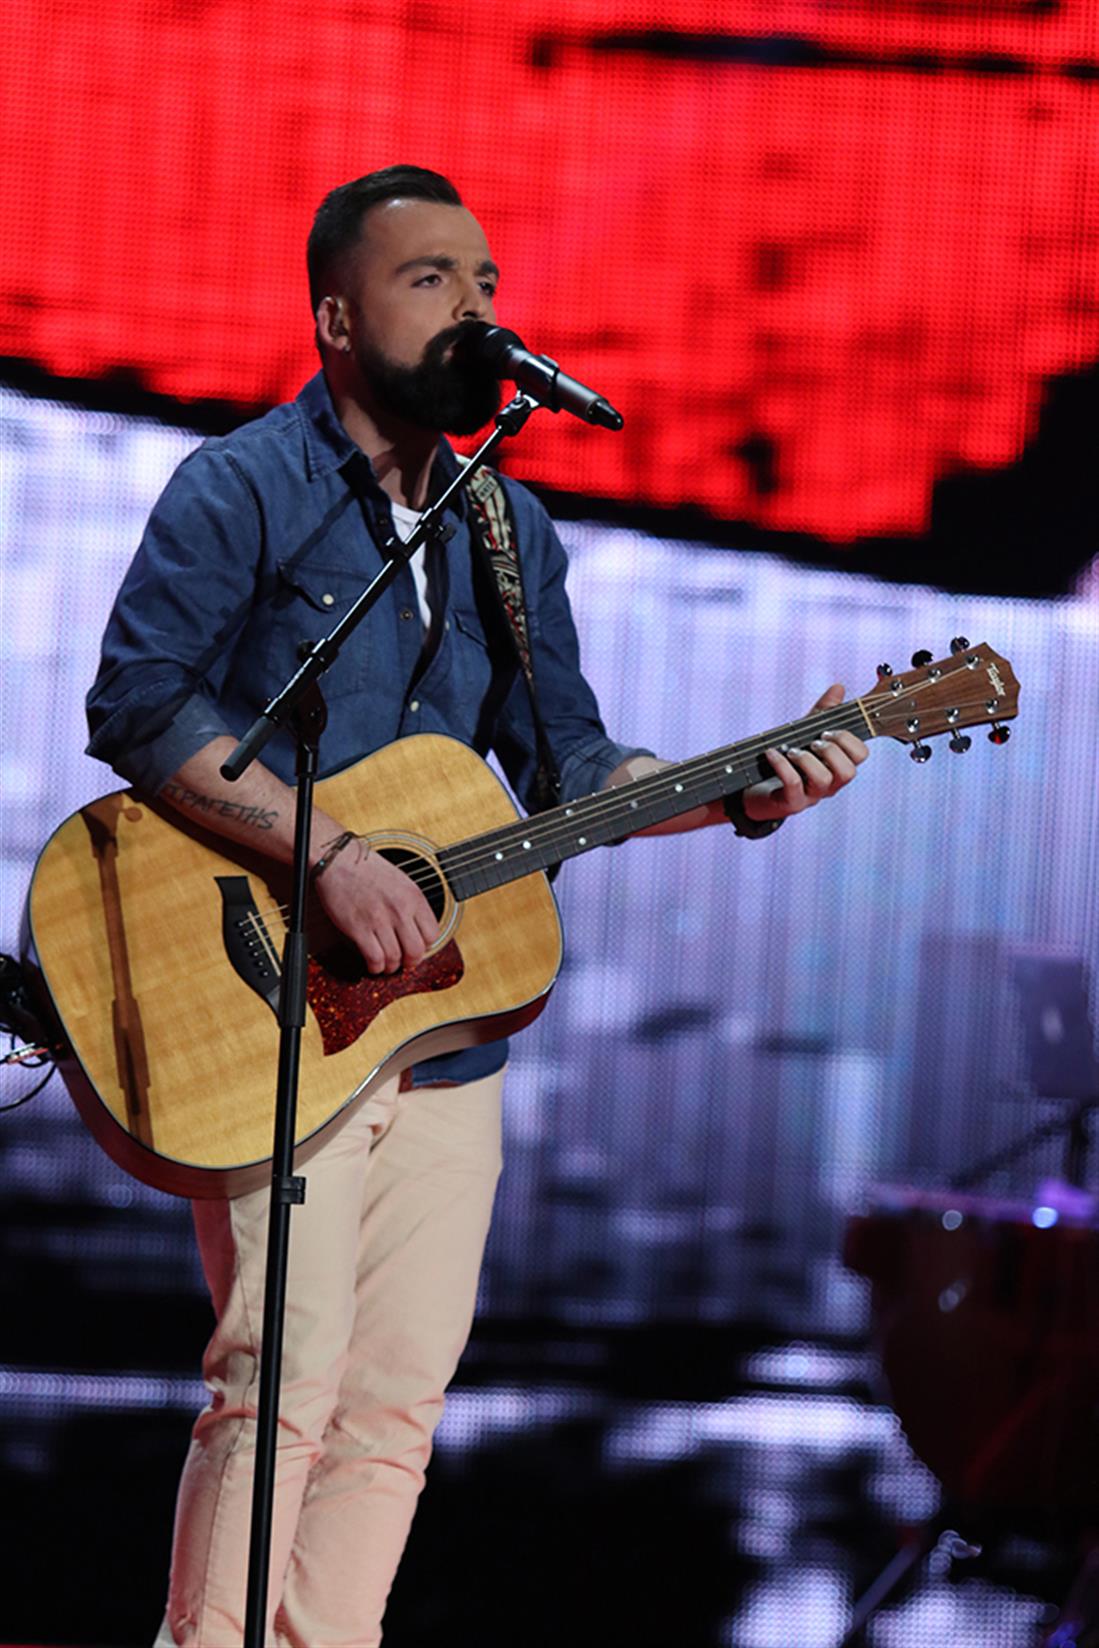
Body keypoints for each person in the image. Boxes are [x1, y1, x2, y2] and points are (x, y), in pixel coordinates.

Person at [86, 165, 868, 1646]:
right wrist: (324, 853)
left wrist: (743, 790)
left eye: (487, 280)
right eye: (431, 278)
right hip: (269, 1007)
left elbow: (574, 765)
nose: (474, 307)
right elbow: (138, 701)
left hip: (443, 1033)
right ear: (337, 318)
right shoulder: (241, 487)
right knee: (278, 1382)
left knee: (392, 1406)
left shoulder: (508, 530)